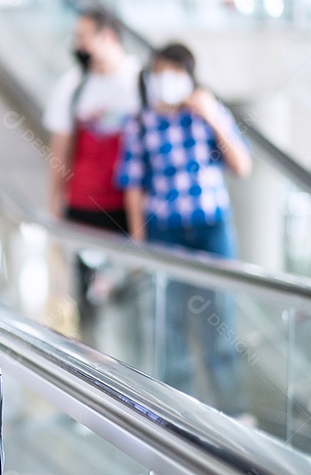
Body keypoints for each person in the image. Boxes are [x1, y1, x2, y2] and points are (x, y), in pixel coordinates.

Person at [115, 43, 252, 418]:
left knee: (220, 325)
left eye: (174, 72)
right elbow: (133, 185)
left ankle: (234, 413)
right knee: (169, 327)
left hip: (211, 229)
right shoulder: (140, 122)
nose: (166, 81)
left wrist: (214, 117)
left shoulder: (205, 115)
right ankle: (180, 415)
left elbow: (242, 166)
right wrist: (139, 246)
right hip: (164, 233)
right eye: (159, 72)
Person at [44, 7, 142, 344]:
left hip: (129, 214)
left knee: (131, 300)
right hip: (82, 210)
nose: (79, 45)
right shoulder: (74, 85)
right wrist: (53, 202)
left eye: (85, 38)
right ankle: (94, 368)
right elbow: (60, 145)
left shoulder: (139, 81)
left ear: (108, 37)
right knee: (87, 303)